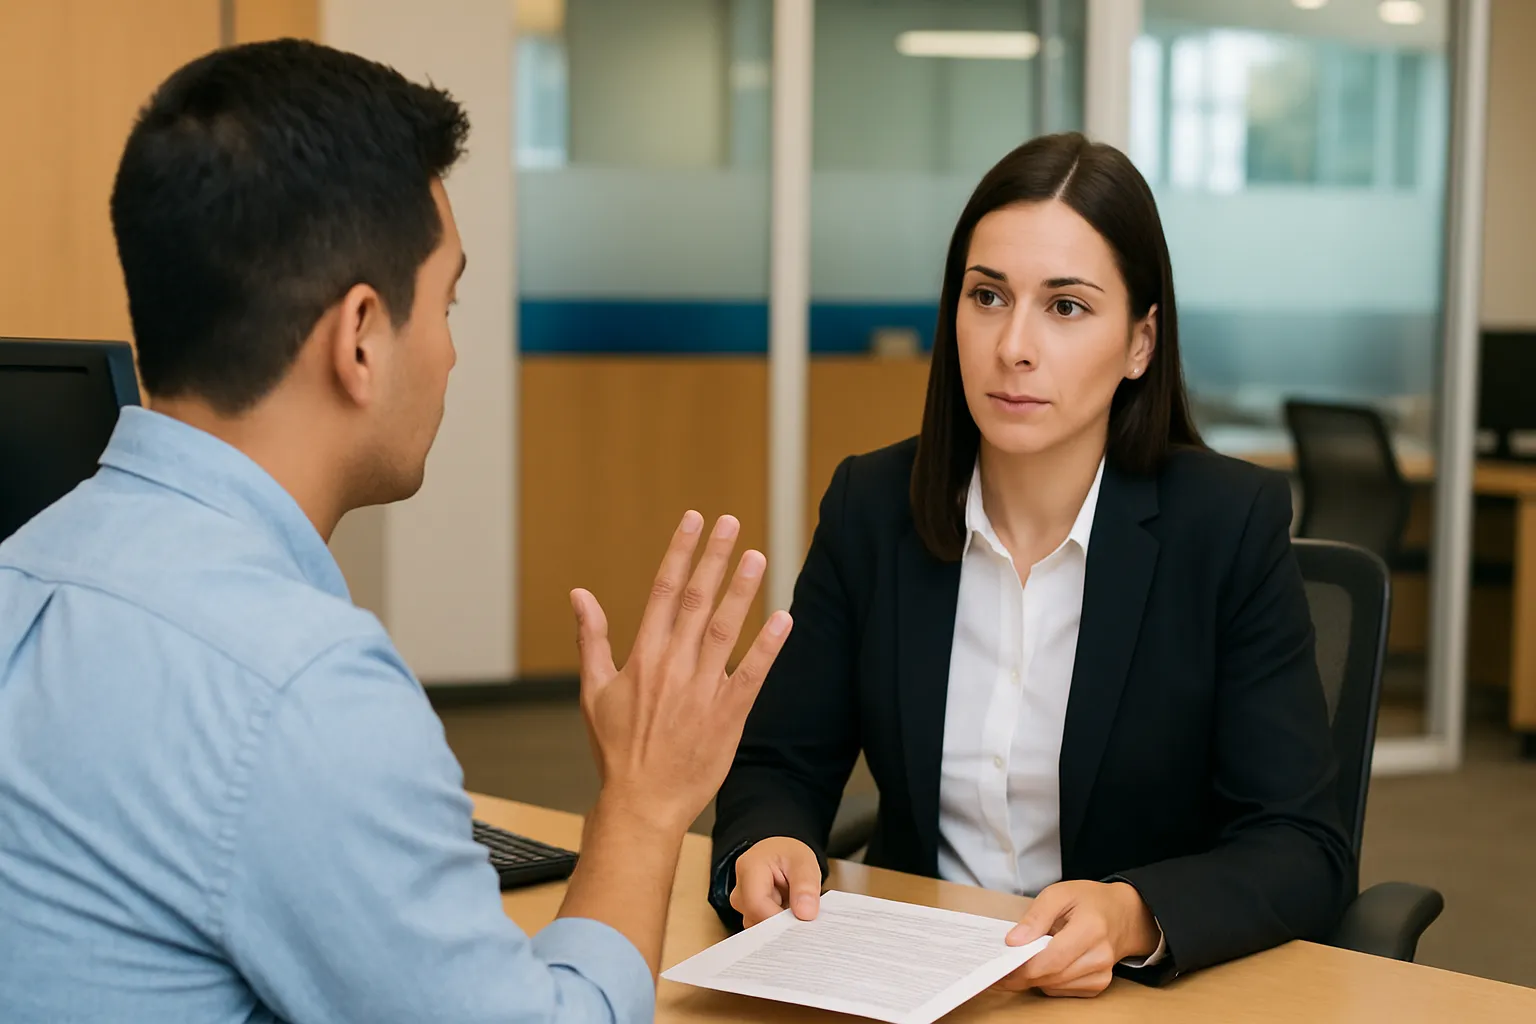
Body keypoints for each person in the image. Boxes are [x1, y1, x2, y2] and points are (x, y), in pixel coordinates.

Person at [0, 40, 790, 1024]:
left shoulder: (26, 567)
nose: (452, 352)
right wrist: (644, 802)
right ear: (362, 335)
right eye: (448, 300)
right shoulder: (297, 688)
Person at [710, 132, 1356, 995]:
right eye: (987, 296)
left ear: (1140, 342)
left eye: (1066, 306)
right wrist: (770, 842)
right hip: (909, 980)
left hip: (1124, 996)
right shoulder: (873, 507)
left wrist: (1134, 912)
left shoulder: (1226, 527)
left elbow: (1302, 848)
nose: (1014, 345)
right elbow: (780, 765)